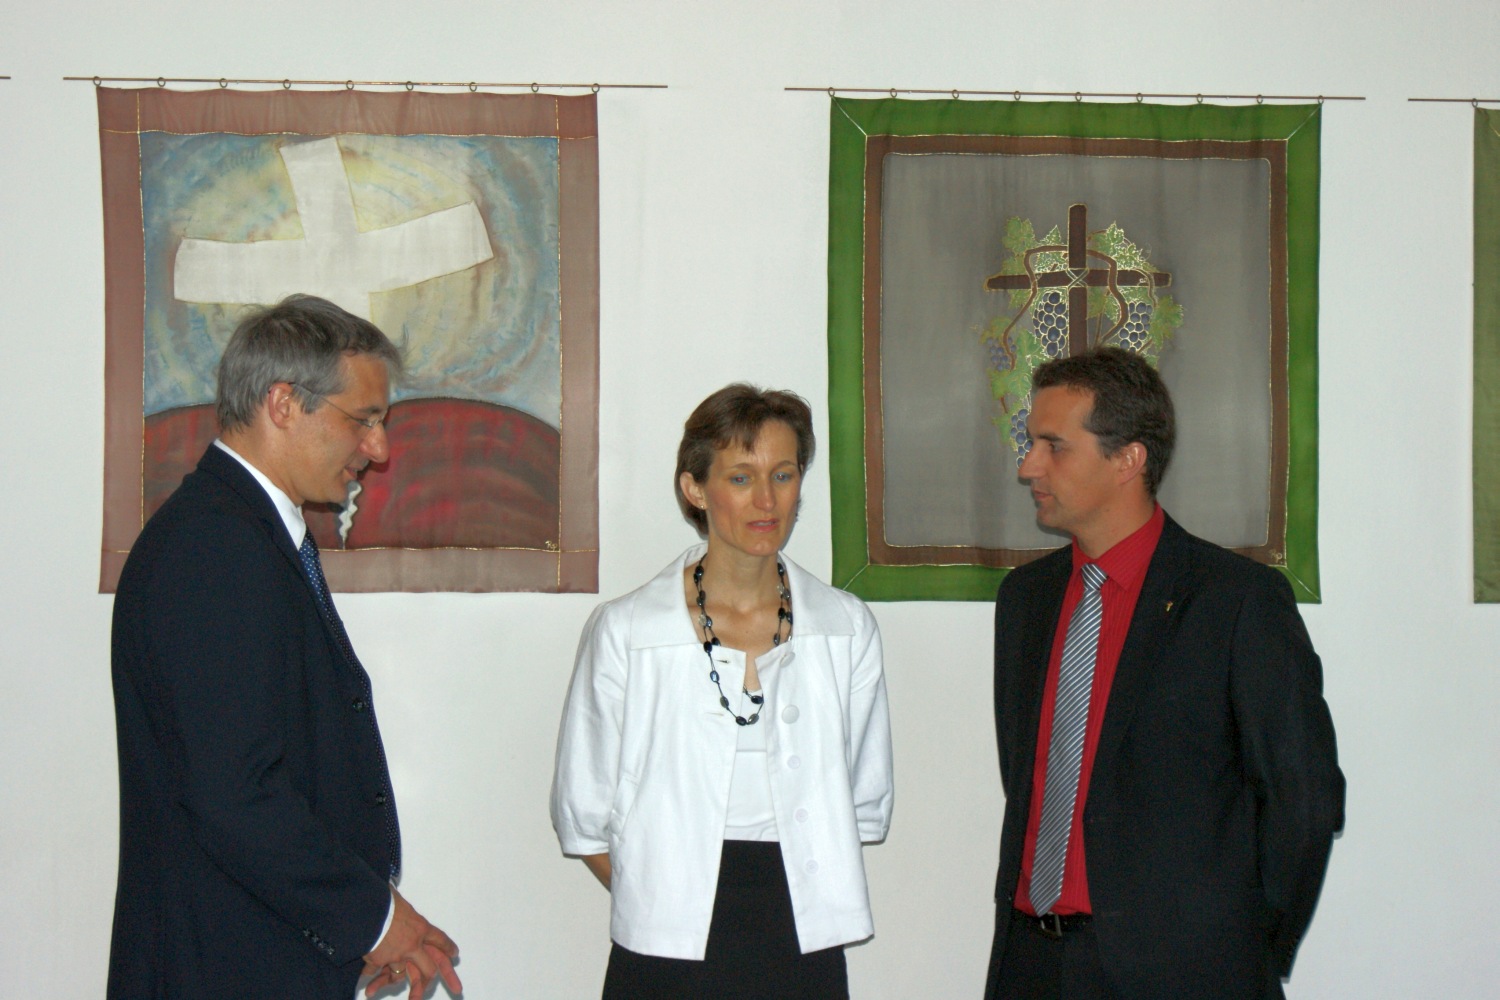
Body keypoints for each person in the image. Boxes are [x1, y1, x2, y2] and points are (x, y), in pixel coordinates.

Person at [108, 295, 462, 1000]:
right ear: (283, 404)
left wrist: (351, 928)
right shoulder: (214, 548)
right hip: (220, 968)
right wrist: (372, 921)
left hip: (255, 953)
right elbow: (234, 795)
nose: (379, 449)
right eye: (363, 419)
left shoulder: (240, 532)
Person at [984, 348, 1344, 1000]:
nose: (1028, 466)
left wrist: (1246, 946)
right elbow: (1026, 779)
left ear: (1128, 459)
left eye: (1053, 446)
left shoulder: (1236, 601)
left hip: (1187, 973)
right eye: (1031, 444)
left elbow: (1304, 799)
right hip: (1032, 965)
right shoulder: (1026, 601)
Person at [551, 383, 893, 998]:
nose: (766, 499)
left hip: (803, 930)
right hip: (665, 943)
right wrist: (663, 895)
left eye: (783, 474)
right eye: (740, 478)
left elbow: (864, 802)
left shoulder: (845, 628)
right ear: (695, 489)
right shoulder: (628, 631)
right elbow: (584, 811)